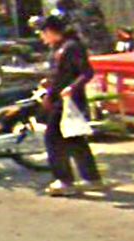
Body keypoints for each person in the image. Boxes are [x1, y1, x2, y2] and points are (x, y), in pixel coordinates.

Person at [38, 15, 102, 197]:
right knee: (74, 139)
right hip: (57, 99)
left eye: (42, 33)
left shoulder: (71, 47)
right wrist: (48, 84)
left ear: (50, 31)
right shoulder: (57, 48)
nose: (42, 37)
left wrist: (71, 88)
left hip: (69, 100)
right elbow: (60, 74)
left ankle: (65, 180)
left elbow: (86, 72)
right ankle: (92, 178)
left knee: (53, 139)